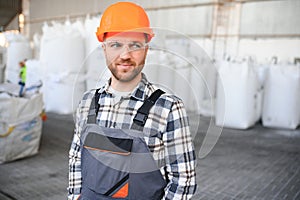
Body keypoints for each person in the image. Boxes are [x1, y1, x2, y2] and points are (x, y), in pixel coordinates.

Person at [68, 2, 196, 200]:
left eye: (135, 45)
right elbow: (76, 159)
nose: (125, 55)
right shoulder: (87, 103)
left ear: (146, 49)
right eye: (116, 44)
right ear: (104, 49)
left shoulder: (169, 108)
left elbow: (183, 181)